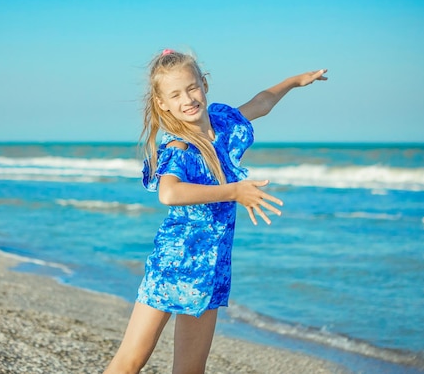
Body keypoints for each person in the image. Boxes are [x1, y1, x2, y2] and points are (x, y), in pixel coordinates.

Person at [104, 49, 327, 374]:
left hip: (211, 266)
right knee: (131, 361)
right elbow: (169, 192)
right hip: (173, 263)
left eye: (192, 88)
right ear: (163, 103)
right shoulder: (180, 144)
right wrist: (234, 191)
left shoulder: (223, 125)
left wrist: (295, 81)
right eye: (176, 94)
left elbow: (261, 103)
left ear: (204, 84)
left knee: (191, 370)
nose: (188, 99)